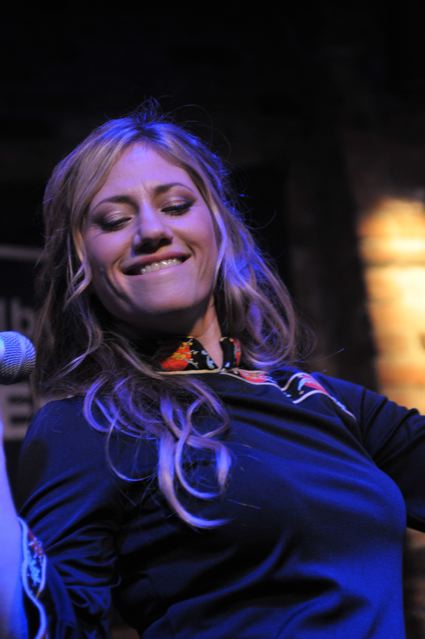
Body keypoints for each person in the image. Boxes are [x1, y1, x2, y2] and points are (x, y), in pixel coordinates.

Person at [0, 103, 424, 639]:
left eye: (176, 206)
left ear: (219, 227)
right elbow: (46, 626)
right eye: (114, 220)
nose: (151, 230)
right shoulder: (89, 426)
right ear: (82, 263)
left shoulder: (327, 402)